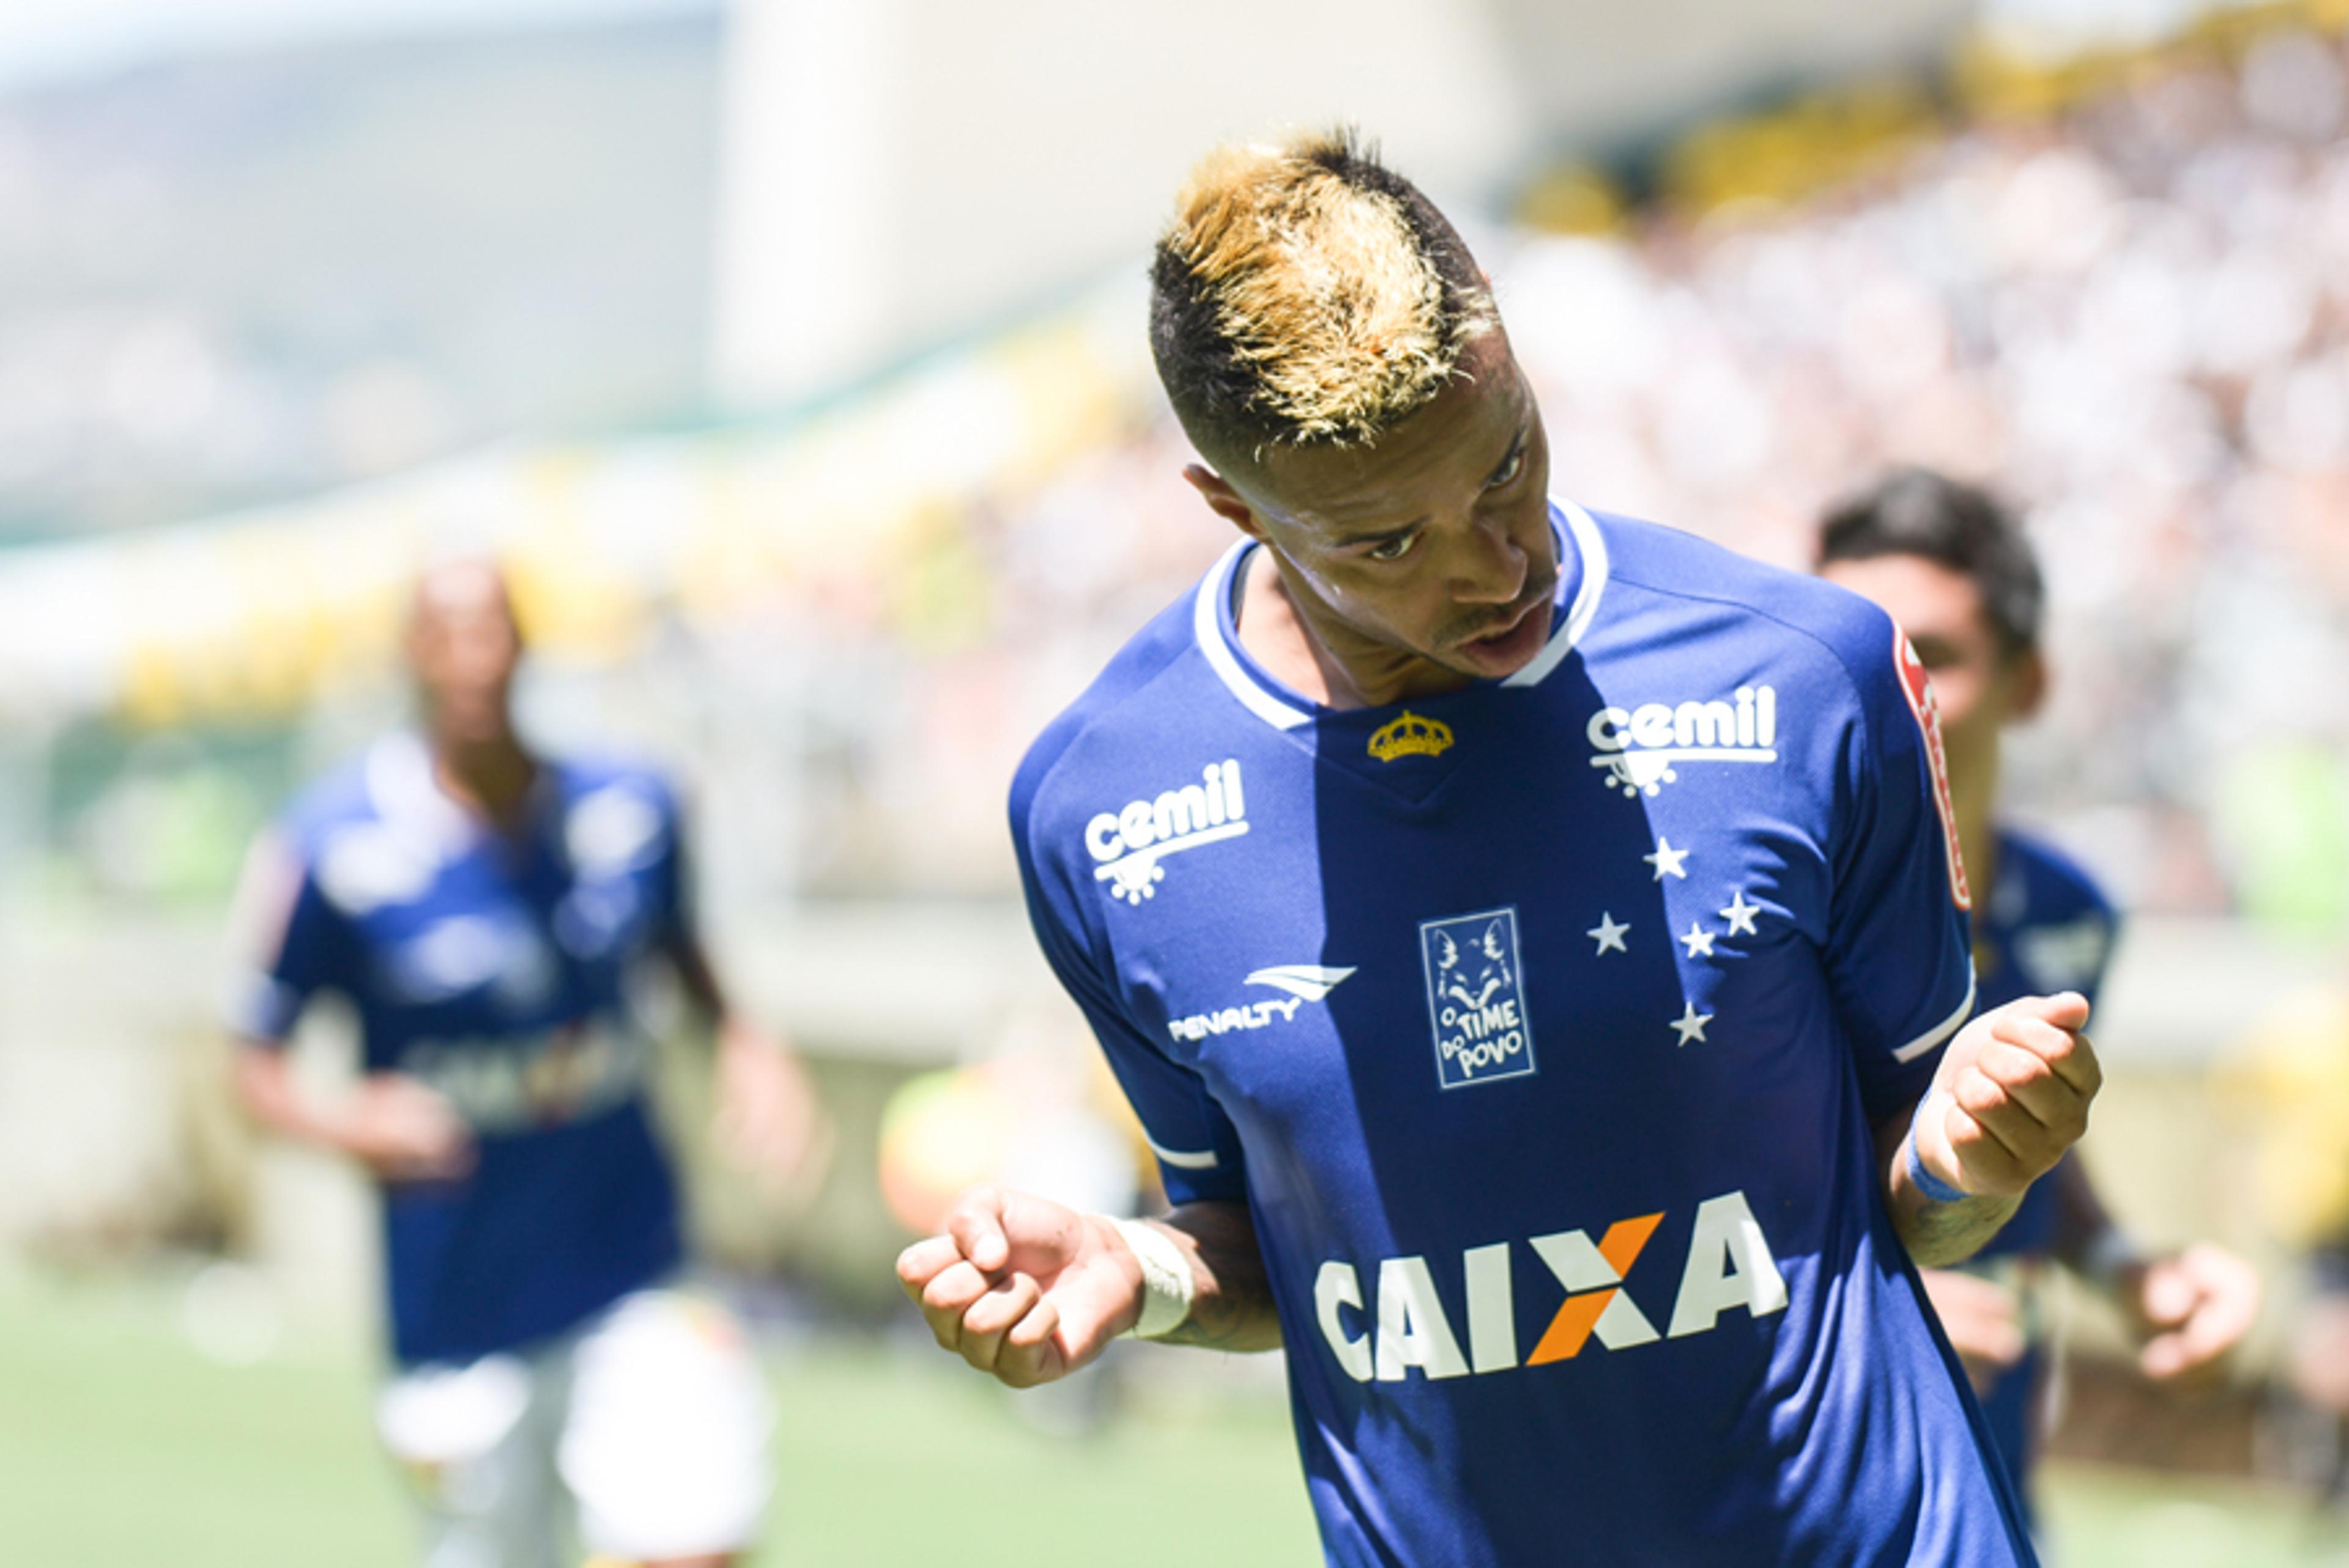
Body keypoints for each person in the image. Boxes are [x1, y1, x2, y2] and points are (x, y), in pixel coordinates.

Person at [897, 128, 2102, 1567]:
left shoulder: (1804, 675)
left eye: (1507, 462)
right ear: (1234, 508)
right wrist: (1139, 1268)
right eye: (1387, 543)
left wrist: (1973, 1158)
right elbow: (1270, 1251)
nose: (1494, 562)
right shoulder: (1097, 811)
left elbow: (1912, 1204)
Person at [226, 558, 820, 1568]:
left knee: (691, 1536)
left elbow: (687, 960)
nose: (474, 657)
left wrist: (749, 1048)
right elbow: (252, 1068)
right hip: (458, 1310)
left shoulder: (629, 810)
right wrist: (347, 1122)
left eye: (493, 630)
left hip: (628, 1267)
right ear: (410, 655)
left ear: (527, 645)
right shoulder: (334, 847)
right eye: (448, 633)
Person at [1817, 469, 2260, 1515]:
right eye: (1844, 646)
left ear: (2030, 683)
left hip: (1984, 1467)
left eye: (1932, 654)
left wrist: (2122, 1267)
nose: (1883, 683)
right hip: (1805, 1477)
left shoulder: (2070, 912)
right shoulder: (1762, 915)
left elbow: (2023, 1140)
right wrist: (1878, 1305)